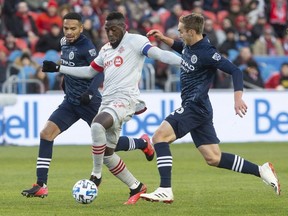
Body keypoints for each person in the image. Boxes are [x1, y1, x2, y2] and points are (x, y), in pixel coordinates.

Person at [41, 11, 181, 204]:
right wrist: (59, 68)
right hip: (108, 101)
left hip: (125, 100)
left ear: (124, 28)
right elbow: (90, 71)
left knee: (97, 125)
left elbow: (158, 54)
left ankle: (96, 175)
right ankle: (137, 187)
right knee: (107, 153)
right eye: (107, 29)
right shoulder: (106, 49)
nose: (110, 33)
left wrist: (186, 62)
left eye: (114, 29)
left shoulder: (135, 41)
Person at [139, 13, 281, 204]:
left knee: (159, 137)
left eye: (181, 31)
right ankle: (261, 170)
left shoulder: (207, 52)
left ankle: (165, 189)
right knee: (214, 158)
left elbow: (235, 70)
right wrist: (165, 39)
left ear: (191, 31)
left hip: (195, 106)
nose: (179, 34)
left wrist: (237, 98)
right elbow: (182, 48)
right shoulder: (190, 46)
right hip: (201, 109)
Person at [21, 12, 155, 200]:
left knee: (108, 147)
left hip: (89, 102)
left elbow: (99, 72)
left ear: (81, 28)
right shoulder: (63, 43)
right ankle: (41, 185)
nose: (68, 32)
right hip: (70, 102)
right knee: (46, 134)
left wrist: (91, 91)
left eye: (73, 28)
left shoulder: (88, 47)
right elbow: (71, 67)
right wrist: (65, 82)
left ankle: (142, 143)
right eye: (66, 28)